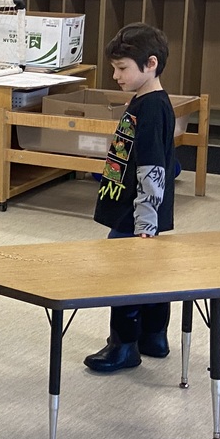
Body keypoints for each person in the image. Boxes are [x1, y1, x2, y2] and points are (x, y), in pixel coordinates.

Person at [84, 23, 177, 372]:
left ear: (150, 64)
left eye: (122, 68)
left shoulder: (152, 107)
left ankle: (123, 346)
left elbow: (153, 167)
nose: (115, 75)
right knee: (149, 271)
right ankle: (154, 336)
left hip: (135, 214)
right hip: (134, 207)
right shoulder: (144, 100)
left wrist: (146, 222)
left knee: (122, 275)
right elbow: (170, 161)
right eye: (114, 68)